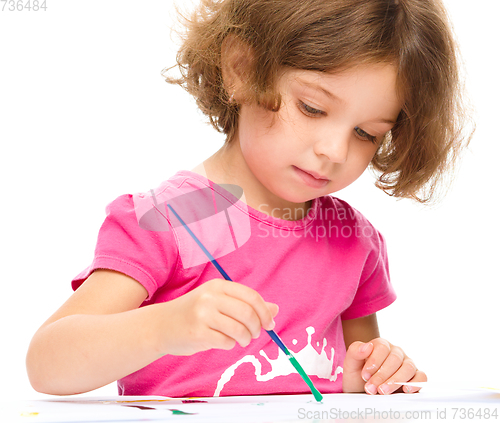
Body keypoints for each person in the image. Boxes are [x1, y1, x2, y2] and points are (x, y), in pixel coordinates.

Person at [26, 0, 471, 398]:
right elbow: (47, 364)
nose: (335, 152)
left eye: (365, 134)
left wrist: (374, 373)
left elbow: (349, 373)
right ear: (240, 69)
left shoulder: (355, 242)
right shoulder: (172, 218)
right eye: (312, 108)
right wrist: (163, 328)